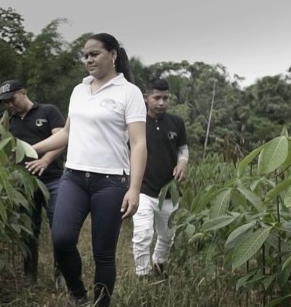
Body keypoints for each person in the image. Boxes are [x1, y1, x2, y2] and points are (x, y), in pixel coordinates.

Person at [33, 33, 147, 307]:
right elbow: (68, 133)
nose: (88, 59)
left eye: (94, 53)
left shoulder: (129, 92)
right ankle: (78, 295)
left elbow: (139, 143)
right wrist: (30, 149)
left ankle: (100, 304)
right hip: (73, 177)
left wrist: (134, 189)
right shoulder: (79, 90)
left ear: (113, 55)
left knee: (104, 254)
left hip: (110, 183)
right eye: (85, 55)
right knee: (61, 239)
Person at [0, 79, 66, 286]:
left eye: (12, 99)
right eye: (5, 102)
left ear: (24, 92)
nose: (10, 104)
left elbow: (63, 138)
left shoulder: (48, 111)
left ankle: (61, 274)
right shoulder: (9, 122)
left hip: (54, 180)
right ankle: (29, 275)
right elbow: (5, 153)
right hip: (25, 184)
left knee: (60, 229)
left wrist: (45, 160)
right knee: (29, 230)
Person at [131, 78, 188, 279]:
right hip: (142, 189)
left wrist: (182, 162)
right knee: (143, 235)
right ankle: (143, 276)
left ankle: (159, 266)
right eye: (157, 98)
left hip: (169, 191)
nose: (161, 102)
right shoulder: (136, 123)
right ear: (146, 98)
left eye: (165, 98)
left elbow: (183, 149)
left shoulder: (176, 123)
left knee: (167, 236)